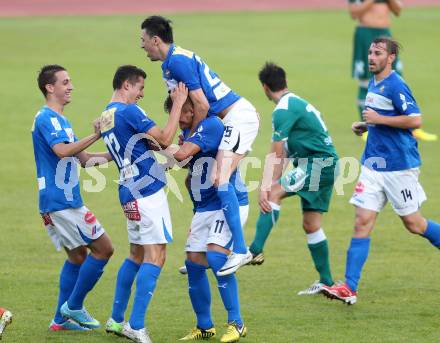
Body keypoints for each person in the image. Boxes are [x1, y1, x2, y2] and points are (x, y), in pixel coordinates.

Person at [322, 38, 440, 305]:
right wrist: (367, 127)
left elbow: (416, 119)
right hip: (373, 165)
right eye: (370, 53)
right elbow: (381, 120)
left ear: (391, 58)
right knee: (361, 222)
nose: (371, 57)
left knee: (414, 224)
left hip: (399, 168)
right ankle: (349, 288)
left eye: (378, 53)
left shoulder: (397, 85)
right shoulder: (374, 82)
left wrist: (379, 120)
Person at [140, 15, 260, 275]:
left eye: (144, 40)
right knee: (196, 176)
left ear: (155, 40)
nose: (142, 46)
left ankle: (241, 250)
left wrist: (194, 135)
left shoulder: (178, 62)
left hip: (236, 119)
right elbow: (188, 106)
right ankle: (199, 251)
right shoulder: (171, 64)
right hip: (224, 121)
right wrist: (188, 133)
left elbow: (202, 105)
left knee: (219, 177)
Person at [101, 65, 188, 343]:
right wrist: (177, 105)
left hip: (128, 191)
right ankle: (135, 325)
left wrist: (163, 159)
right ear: (127, 85)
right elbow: (164, 137)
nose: (141, 95)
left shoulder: (106, 116)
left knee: (136, 255)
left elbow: (137, 147)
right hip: (147, 192)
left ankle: (116, 320)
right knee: (156, 256)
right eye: (140, 88)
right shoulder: (129, 111)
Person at [31, 65, 114, 331]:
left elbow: (86, 160)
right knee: (104, 248)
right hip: (62, 203)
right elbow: (62, 151)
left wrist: (119, 153)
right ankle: (74, 307)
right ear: (49, 87)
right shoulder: (46, 118)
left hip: (61, 202)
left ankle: (60, 320)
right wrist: (96, 135)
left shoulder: (61, 121)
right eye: (65, 82)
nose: (71, 87)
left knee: (78, 256)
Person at [248, 62, 338, 295]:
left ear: (265, 87)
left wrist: (266, 188)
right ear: (284, 81)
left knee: (274, 193)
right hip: (326, 164)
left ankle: (255, 249)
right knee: (311, 224)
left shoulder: (282, 110)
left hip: (318, 164)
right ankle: (327, 281)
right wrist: (269, 183)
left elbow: (276, 153)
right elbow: (284, 155)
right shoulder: (293, 104)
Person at [164, 96, 249, 342]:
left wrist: (151, 143)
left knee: (216, 257)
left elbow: (180, 156)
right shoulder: (190, 131)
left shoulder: (211, 125)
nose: (180, 120)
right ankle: (204, 326)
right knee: (194, 264)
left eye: (183, 113)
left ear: (193, 109)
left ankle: (237, 323)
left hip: (227, 204)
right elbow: (186, 163)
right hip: (204, 207)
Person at [348, 0, 437, 141]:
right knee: (366, 82)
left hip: (385, 33)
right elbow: (354, 13)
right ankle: (366, 128)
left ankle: (412, 127)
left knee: (397, 80)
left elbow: (397, 10)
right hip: (365, 34)